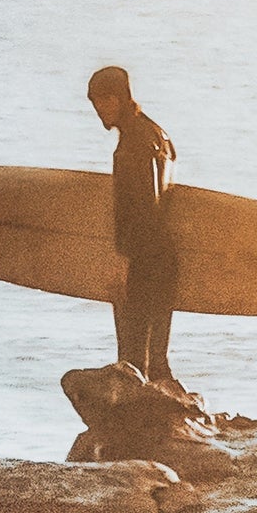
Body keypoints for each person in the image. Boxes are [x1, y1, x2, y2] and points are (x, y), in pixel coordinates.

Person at [87, 66, 179, 389]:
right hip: (165, 261)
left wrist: (123, 264)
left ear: (116, 98)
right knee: (156, 362)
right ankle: (171, 424)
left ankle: (136, 434)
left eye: (100, 102)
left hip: (143, 263)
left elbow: (142, 209)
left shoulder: (132, 146)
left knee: (131, 363)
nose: (97, 111)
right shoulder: (158, 135)